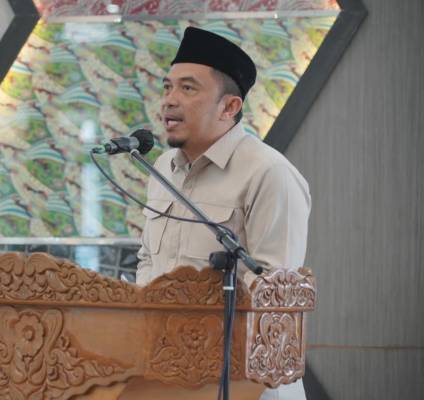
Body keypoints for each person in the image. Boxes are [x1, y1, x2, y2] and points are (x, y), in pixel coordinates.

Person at [135, 27, 311, 400]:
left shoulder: (269, 173)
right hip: (169, 378)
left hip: (245, 382)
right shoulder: (163, 168)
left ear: (229, 107)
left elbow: (274, 292)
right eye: (167, 87)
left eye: (188, 88)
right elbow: (148, 261)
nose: (169, 101)